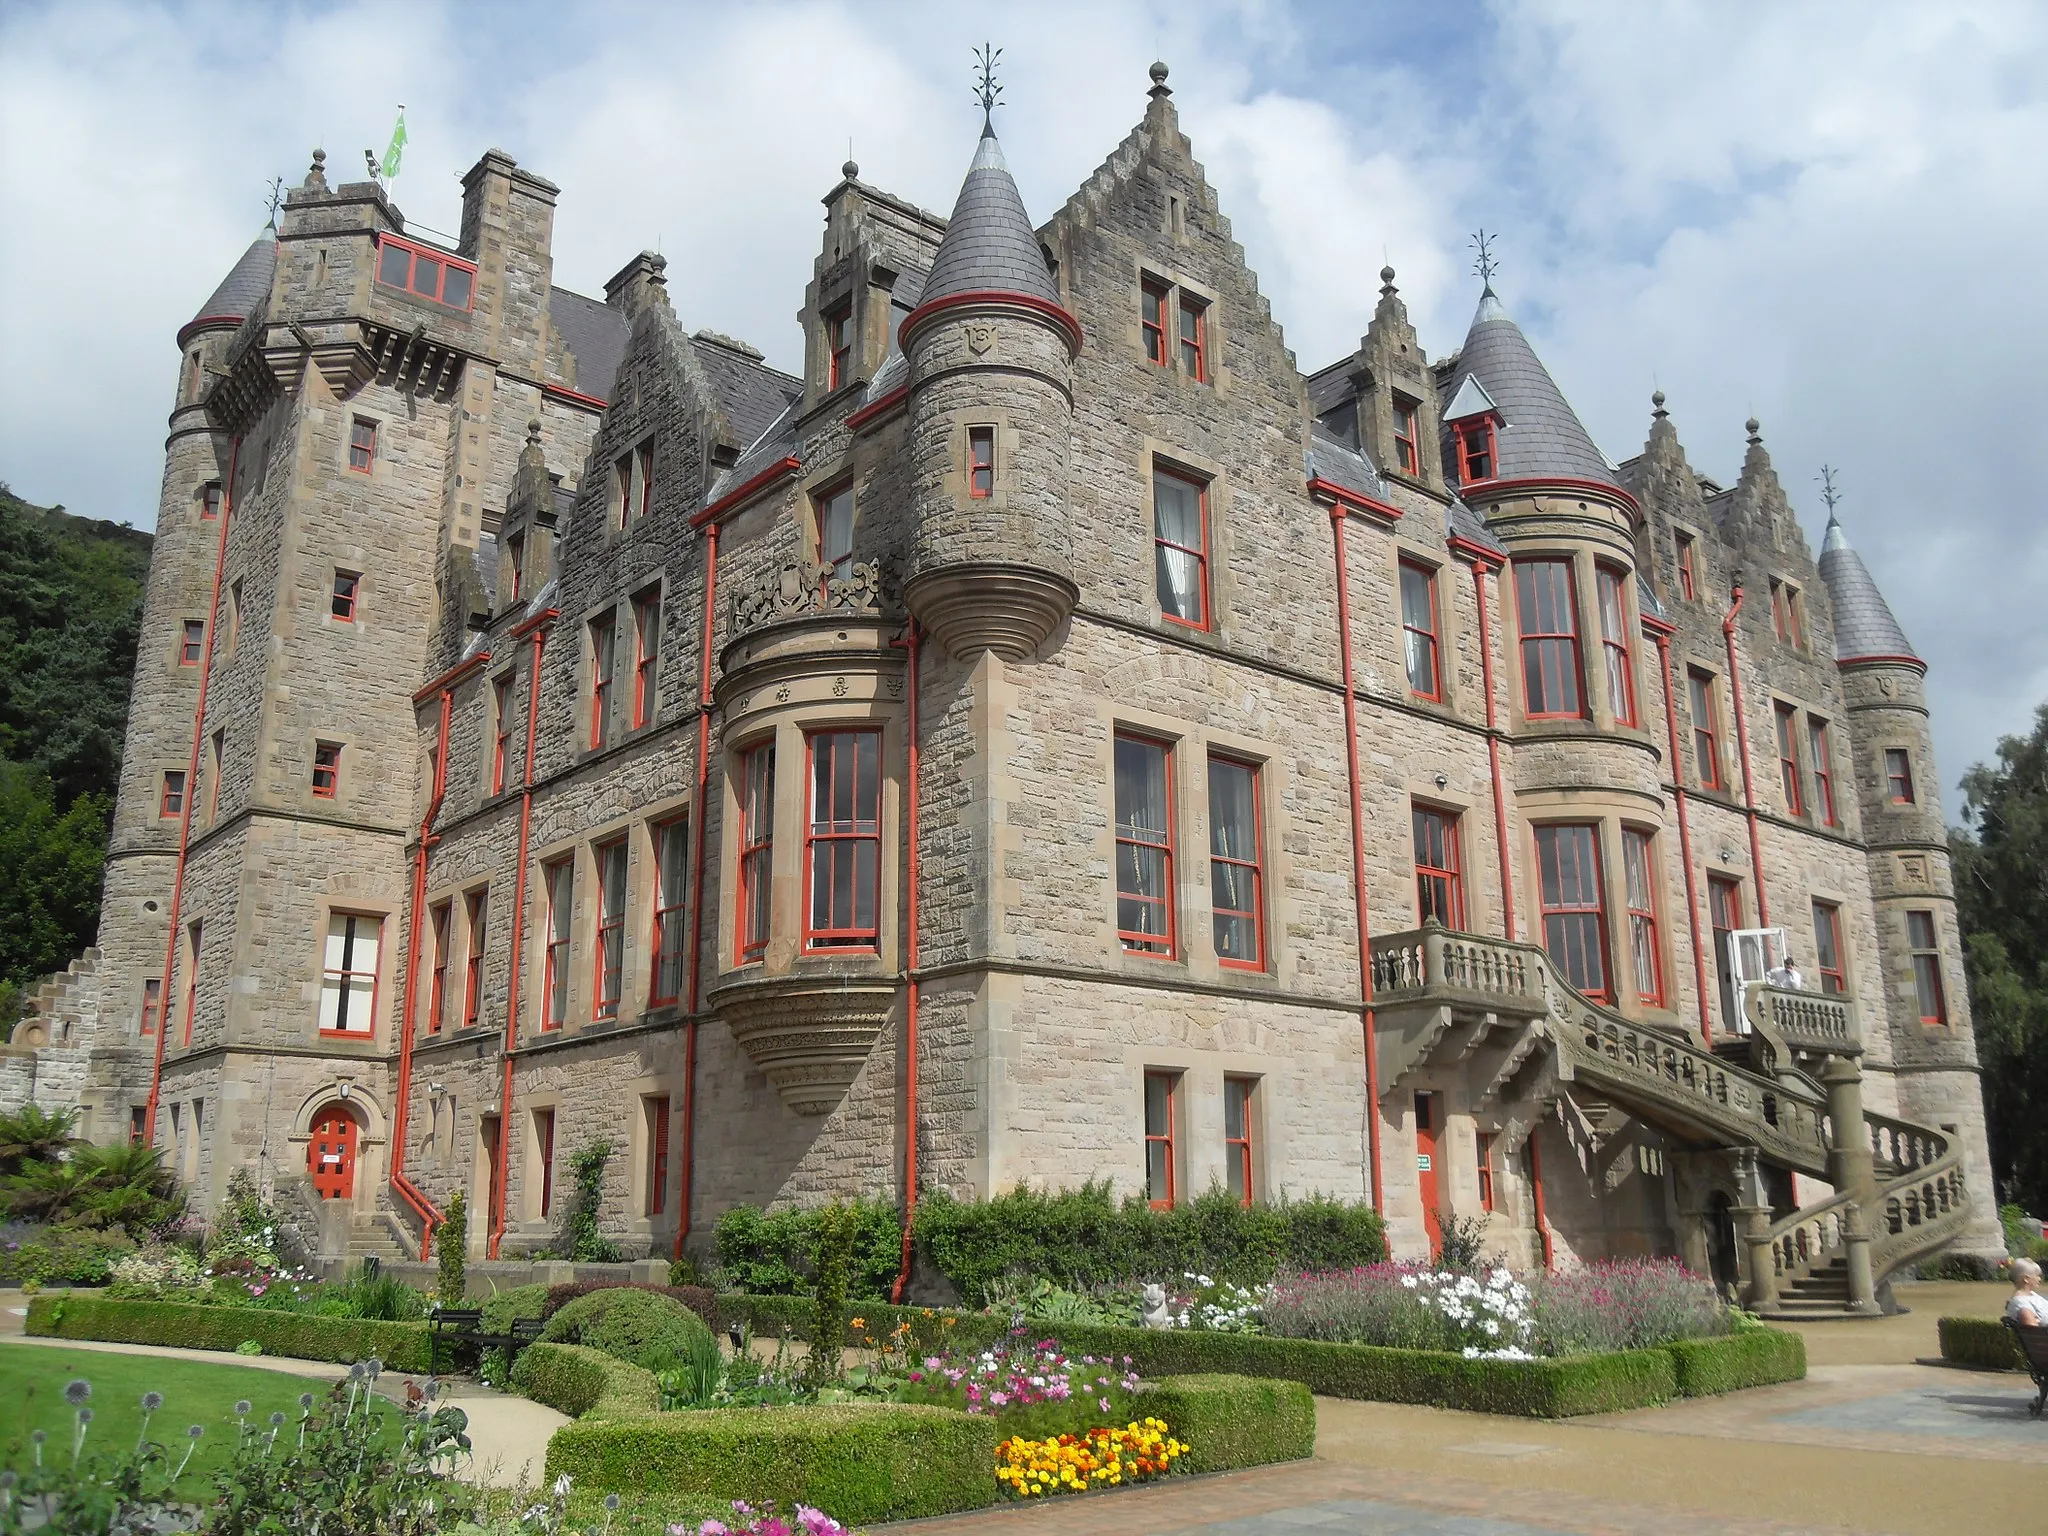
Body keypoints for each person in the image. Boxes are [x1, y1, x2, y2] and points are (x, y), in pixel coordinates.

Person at [2008, 1256, 2048, 1327]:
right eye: (2037, 1276)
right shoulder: (2021, 1303)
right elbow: (2034, 1330)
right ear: (2026, 1279)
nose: (2039, 1279)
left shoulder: (2031, 1295)